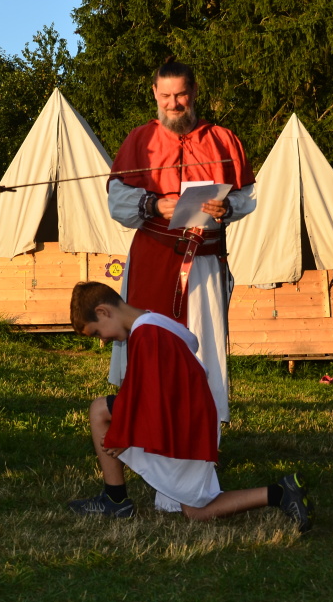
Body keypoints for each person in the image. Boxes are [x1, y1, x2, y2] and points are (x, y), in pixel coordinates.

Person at [66, 282, 312, 529]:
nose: (103, 339)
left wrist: (125, 433)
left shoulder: (147, 334)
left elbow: (153, 397)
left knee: (196, 511)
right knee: (194, 511)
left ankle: (280, 492)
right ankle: (115, 499)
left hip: (186, 428)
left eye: (97, 332)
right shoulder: (153, 323)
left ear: (103, 312)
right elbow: (150, 390)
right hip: (187, 418)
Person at [107, 58, 256, 423]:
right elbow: (117, 200)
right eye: (166, 96)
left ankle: (201, 430)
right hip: (153, 259)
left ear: (194, 92)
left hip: (204, 263)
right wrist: (153, 204)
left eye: (181, 95)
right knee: (150, 343)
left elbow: (247, 196)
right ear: (154, 94)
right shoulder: (140, 140)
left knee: (203, 347)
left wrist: (226, 207)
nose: (173, 103)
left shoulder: (223, 140)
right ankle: (147, 428)